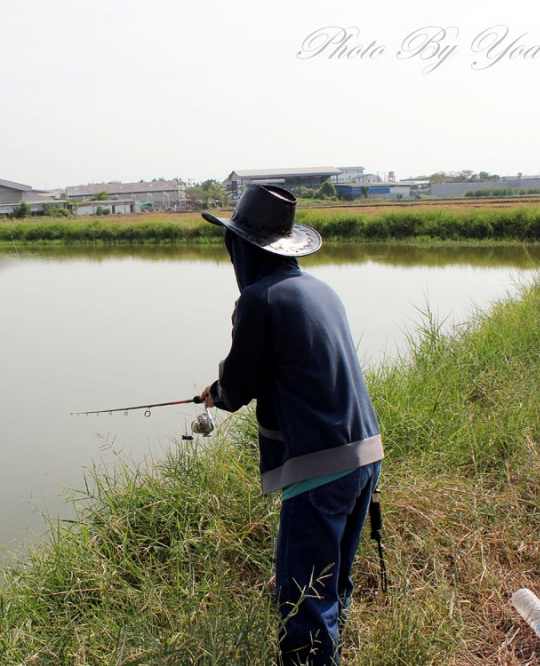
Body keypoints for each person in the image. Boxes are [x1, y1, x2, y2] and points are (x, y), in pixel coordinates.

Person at [198, 184, 383, 666]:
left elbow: (238, 385)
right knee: (333, 586)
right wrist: (222, 390)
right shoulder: (321, 290)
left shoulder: (260, 299)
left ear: (242, 247)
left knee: (303, 604)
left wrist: (215, 395)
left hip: (320, 466)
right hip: (366, 453)